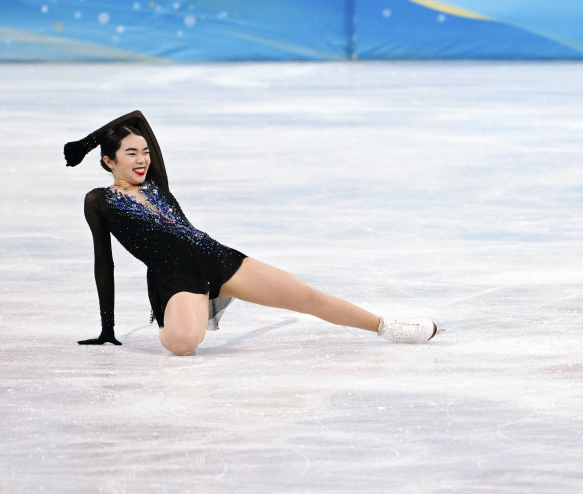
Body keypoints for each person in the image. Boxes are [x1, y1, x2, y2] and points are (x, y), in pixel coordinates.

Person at [64, 110, 437, 355]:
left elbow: (137, 116)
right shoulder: (99, 200)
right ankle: (176, 315)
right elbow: (104, 263)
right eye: (131, 154)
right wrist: (107, 327)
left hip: (215, 257)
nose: (142, 159)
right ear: (108, 161)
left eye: (145, 151)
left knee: (305, 295)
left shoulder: (156, 181)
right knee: (181, 345)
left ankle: (386, 326)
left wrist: (87, 140)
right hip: (174, 277)